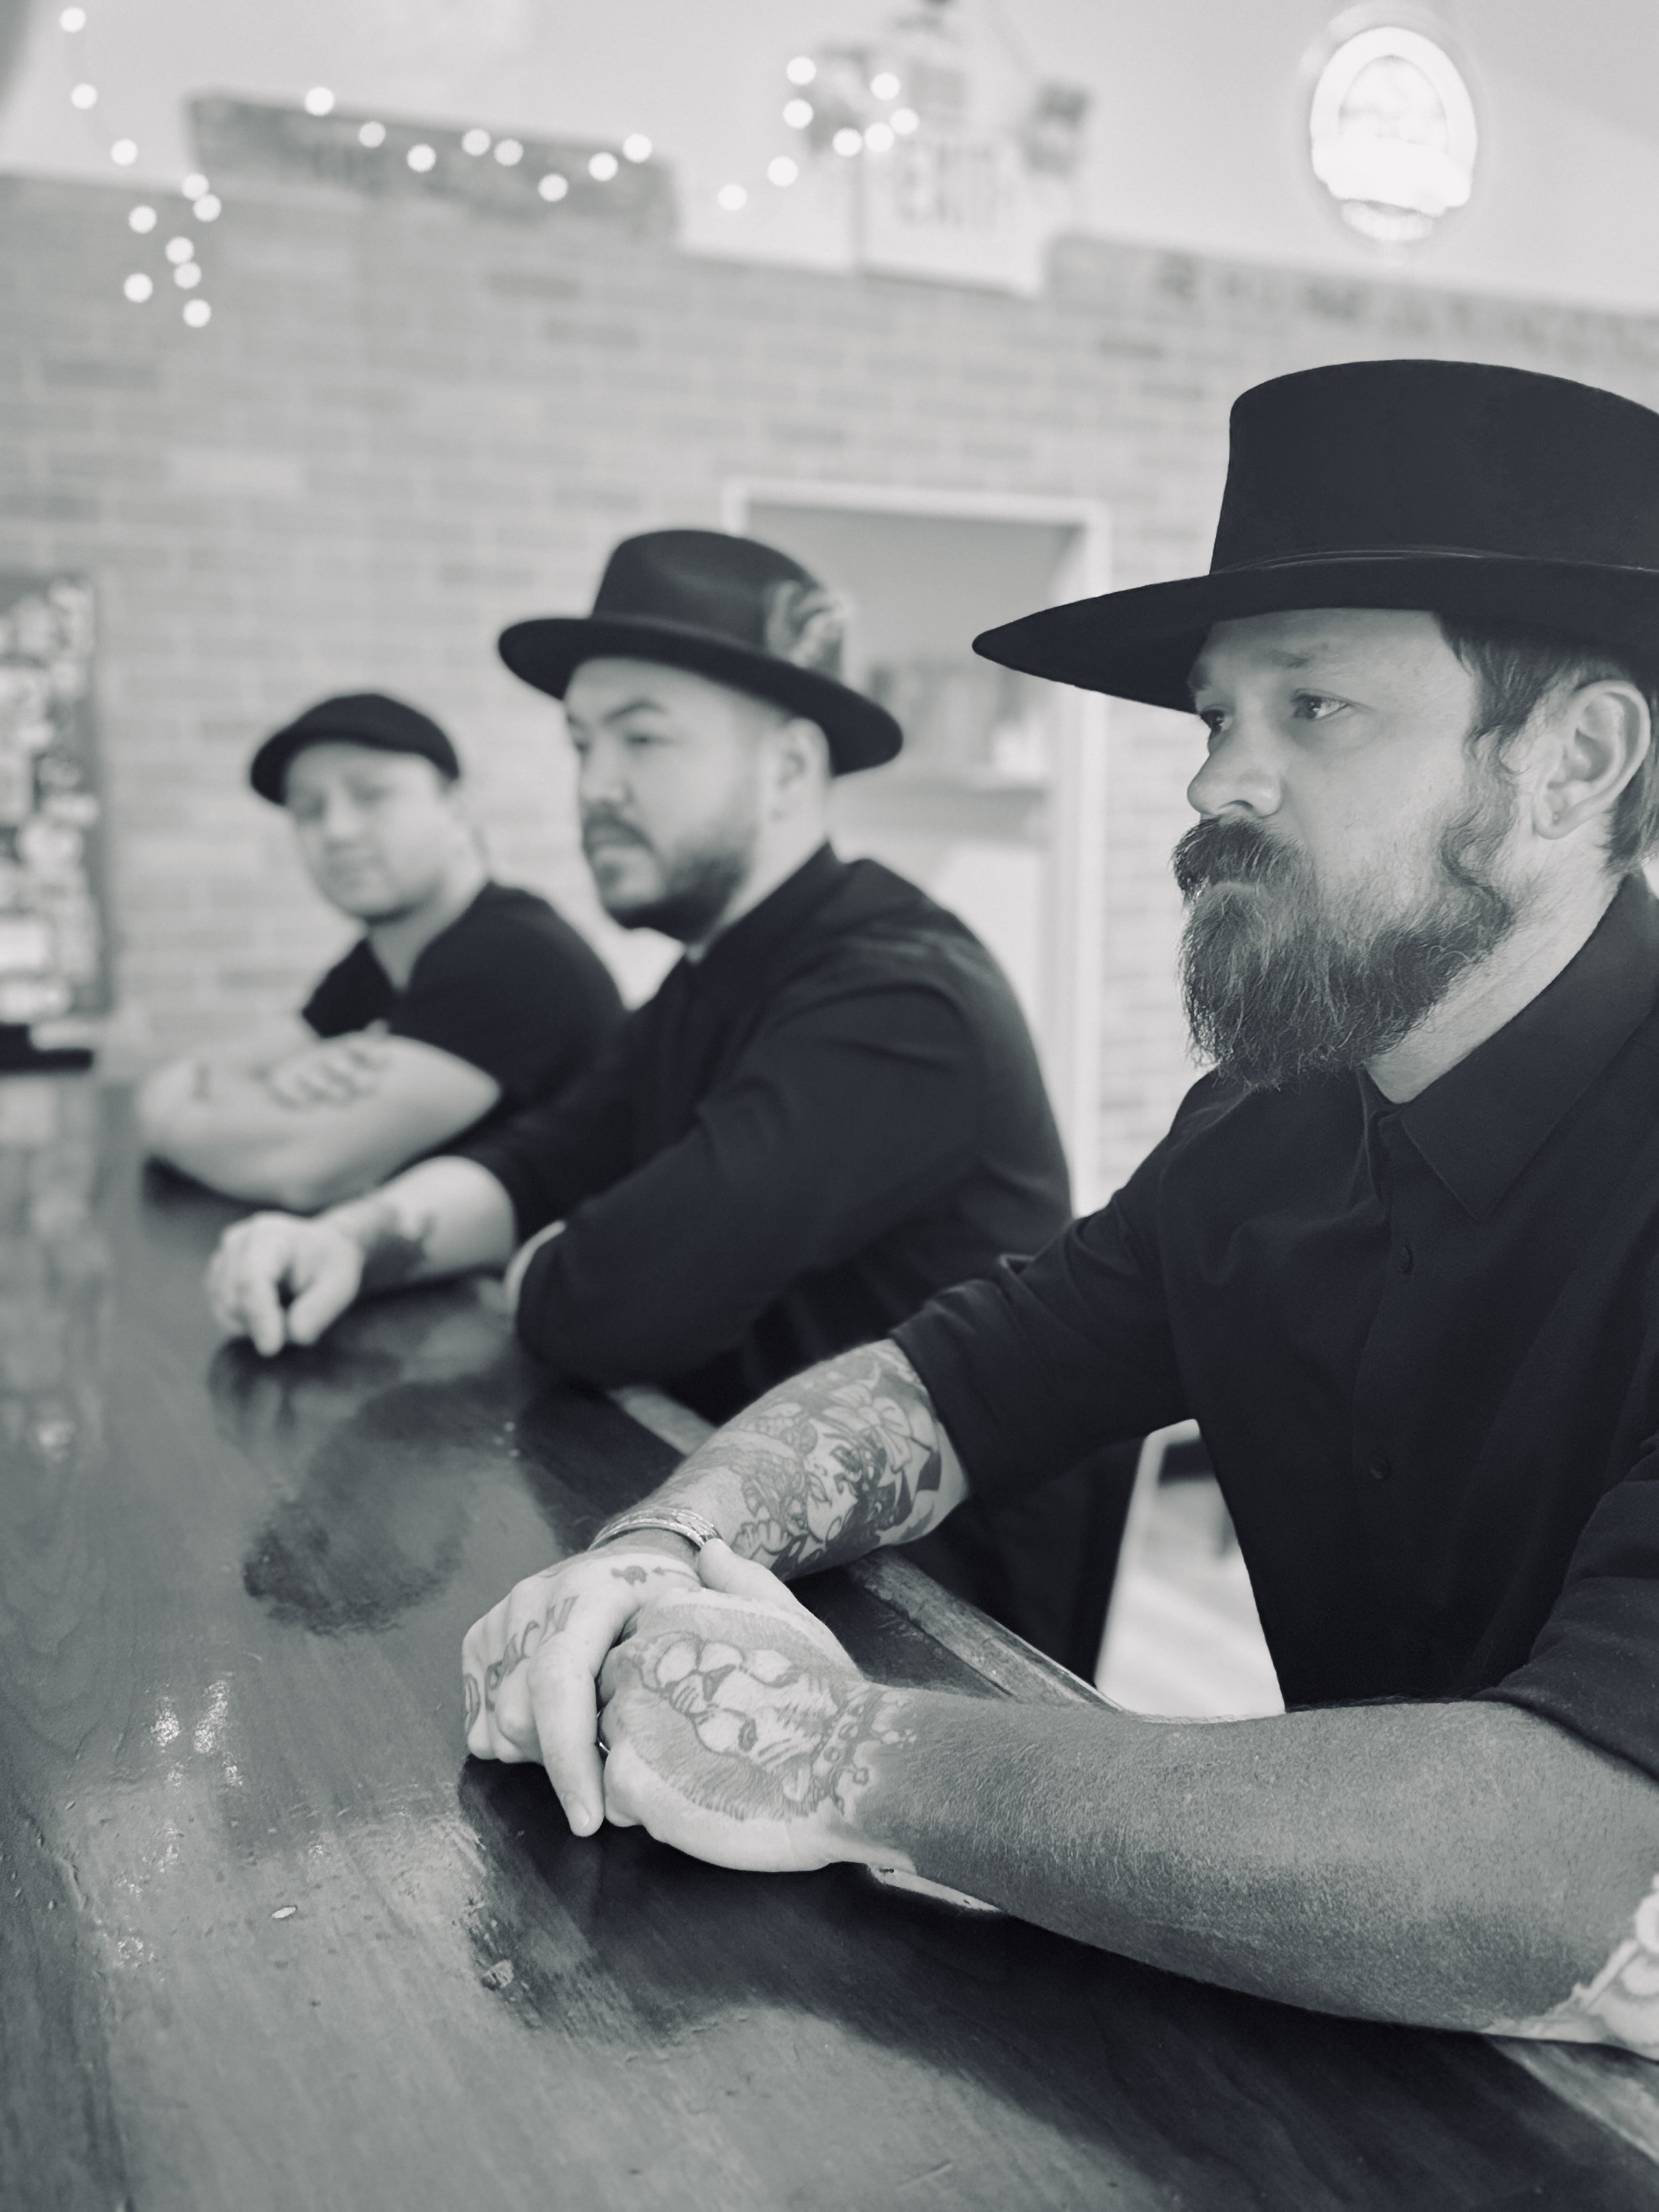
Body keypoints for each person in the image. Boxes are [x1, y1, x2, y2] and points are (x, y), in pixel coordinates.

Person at [461, 363, 1659, 2059]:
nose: (1214, 785)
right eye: (1210, 717)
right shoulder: (1265, 1126)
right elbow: (952, 1380)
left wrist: (838, 1756)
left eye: (1312, 708)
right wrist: (672, 1543)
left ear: (1572, 764)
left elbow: (1570, 1860)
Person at [206, 533, 1101, 1659]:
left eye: (642, 737)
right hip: (717, 1540)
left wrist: (545, 1255)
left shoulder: (899, 997)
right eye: (582, 741)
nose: (595, 783)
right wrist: (346, 1235)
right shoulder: (706, 976)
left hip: (930, 1631)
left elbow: (603, 1301)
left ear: (786, 766)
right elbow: (540, 1159)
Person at [139, 692, 622, 1211]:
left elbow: (303, 1168)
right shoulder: (379, 958)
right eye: (309, 810)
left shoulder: (512, 958)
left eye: (371, 795)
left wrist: (175, 1118)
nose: (337, 831)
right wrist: (270, 1087)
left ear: (456, 808)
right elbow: (201, 1072)